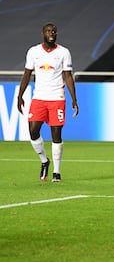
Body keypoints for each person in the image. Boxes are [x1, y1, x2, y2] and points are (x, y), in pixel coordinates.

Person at [17, 23, 79, 182]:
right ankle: (44, 161)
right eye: (48, 31)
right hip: (39, 98)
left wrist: (74, 99)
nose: (51, 33)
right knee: (33, 131)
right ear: (42, 33)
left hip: (57, 98)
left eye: (54, 31)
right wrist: (20, 95)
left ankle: (57, 173)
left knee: (56, 134)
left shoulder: (64, 52)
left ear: (56, 34)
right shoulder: (33, 52)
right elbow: (26, 74)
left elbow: (68, 76)